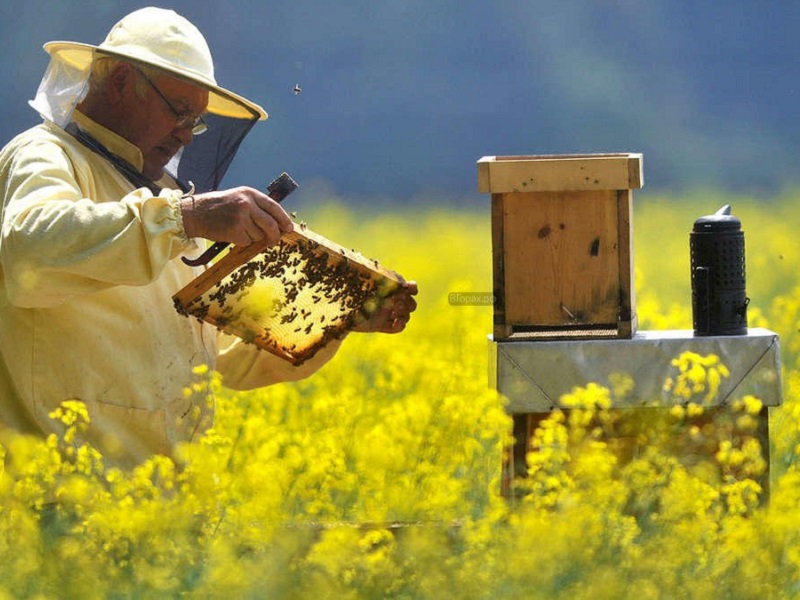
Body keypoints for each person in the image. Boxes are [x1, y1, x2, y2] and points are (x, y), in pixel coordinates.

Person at [0, 7, 417, 465]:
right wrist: (186, 217)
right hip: (60, 508)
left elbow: (216, 356)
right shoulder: (45, 155)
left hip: (167, 510)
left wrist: (338, 316)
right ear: (120, 83)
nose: (186, 137)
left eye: (194, 121)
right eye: (180, 112)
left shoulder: (159, 199)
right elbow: (31, 253)